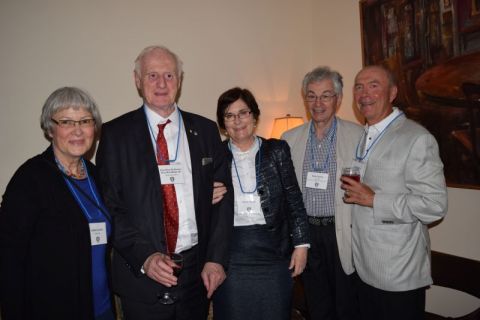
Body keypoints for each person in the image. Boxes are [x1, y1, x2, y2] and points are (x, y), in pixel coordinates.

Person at [95, 45, 233, 320]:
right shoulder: (114, 134)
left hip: (196, 273)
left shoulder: (205, 131)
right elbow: (109, 206)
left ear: (179, 81)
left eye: (169, 76)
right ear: (137, 80)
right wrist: (145, 256)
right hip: (143, 276)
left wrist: (215, 259)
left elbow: (223, 202)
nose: (161, 84)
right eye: (152, 75)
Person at [341, 65, 448, 320]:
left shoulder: (416, 138)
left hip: (397, 273)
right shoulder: (363, 135)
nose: (364, 93)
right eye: (359, 87)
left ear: (392, 93)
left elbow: (434, 205)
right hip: (363, 266)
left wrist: (374, 200)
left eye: (373, 85)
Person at [0, 87, 115, 320]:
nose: (78, 130)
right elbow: (9, 259)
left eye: (85, 121)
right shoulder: (30, 179)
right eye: (66, 122)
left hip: (102, 308)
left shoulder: (97, 176)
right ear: (50, 129)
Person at [212, 87, 309, 320]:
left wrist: (302, 245)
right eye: (229, 115)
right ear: (223, 123)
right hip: (231, 255)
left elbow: (294, 199)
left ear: (254, 116)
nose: (237, 121)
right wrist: (204, 198)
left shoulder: (276, 150)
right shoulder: (213, 156)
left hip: (274, 254)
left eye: (243, 112)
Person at [282, 67, 362, 320]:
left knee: (347, 304)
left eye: (326, 96)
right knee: (316, 303)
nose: (318, 103)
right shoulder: (289, 138)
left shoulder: (358, 136)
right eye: (312, 96)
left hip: (342, 231)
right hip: (306, 235)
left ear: (338, 99)